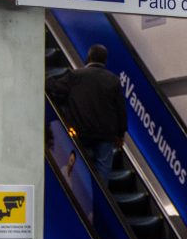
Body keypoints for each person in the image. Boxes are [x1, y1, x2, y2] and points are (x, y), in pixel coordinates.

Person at [46, 44, 127, 182]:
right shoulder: (113, 80)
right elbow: (120, 109)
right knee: (103, 168)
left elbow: (55, 87)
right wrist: (120, 134)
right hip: (105, 134)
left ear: (88, 57)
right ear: (105, 60)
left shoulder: (75, 75)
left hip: (80, 131)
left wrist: (45, 79)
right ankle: (101, 198)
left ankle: (82, 192)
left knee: (78, 162)